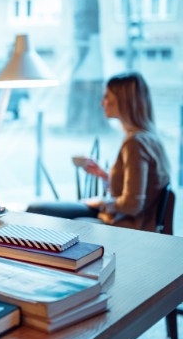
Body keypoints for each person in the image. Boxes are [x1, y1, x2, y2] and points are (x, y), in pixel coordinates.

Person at [28, 72, 171, 231]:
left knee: (35, 211)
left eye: (107, 96)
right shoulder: (150, 138)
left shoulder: (135, 143)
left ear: (123, 101)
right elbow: (139, 189)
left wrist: (102, 203)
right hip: (121, 216)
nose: (102, 103)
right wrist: (104, 175)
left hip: (122, 223)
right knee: (40, 209)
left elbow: (132, 204)